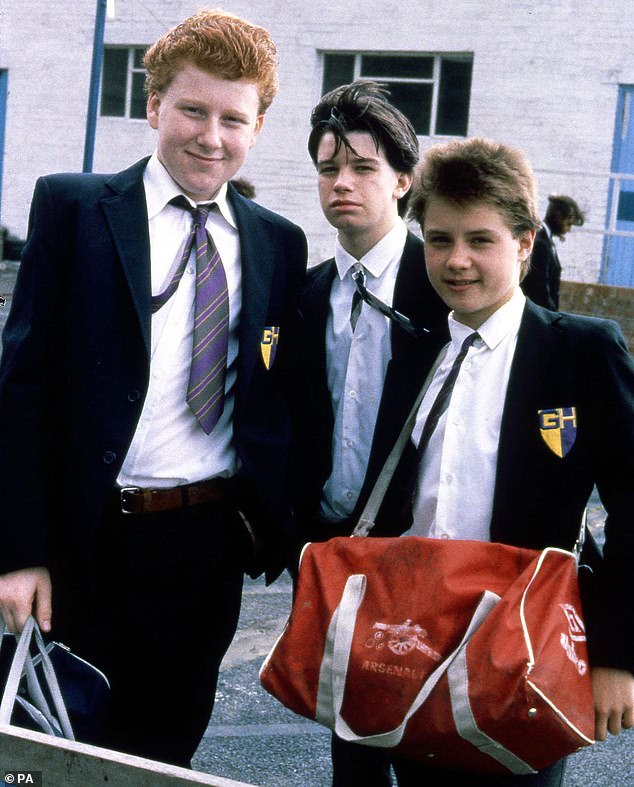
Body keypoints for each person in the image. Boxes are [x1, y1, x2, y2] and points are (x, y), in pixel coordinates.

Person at [0, 9, 307, 767]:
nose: (211, 136)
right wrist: (19, 550)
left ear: (258, 126)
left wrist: (270, 530)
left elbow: (285, 397)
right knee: (54, 755)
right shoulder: (74, 208)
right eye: (193, 111)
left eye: (233, 119)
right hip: (84, 542)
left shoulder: (277, 243)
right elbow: (22, 390)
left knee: (166, 756)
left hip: (200, 548)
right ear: (154, 108)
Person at [356, 137, 634, 786]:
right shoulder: (415, 348)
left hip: (525, 650)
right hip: (416, 646)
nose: (457, 261)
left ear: (526, 243)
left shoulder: (582, 351)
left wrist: (618, 655)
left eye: (480, 240)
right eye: (440, 239)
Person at [290, 80, 449, 785]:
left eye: (362, 168)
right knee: (352, 755)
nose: (342, 184)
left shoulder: (445, 286)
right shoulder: (305, 291)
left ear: (404, 181)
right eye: (329, 168)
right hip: (339, 561)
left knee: (430, 751)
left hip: (428, 565)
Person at [521, 193, 585, 310]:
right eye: (568, 224)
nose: (569, 230)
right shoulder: (540, 243)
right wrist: (552, 317)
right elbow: (540, 289)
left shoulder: (546, 240)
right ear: (558, 216)